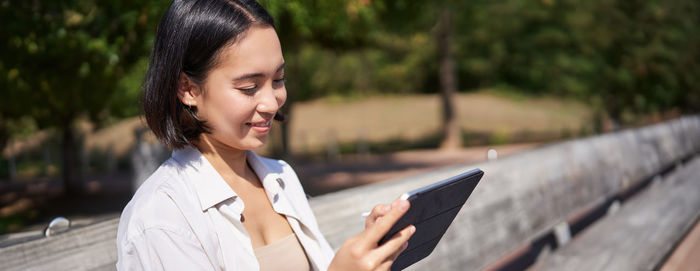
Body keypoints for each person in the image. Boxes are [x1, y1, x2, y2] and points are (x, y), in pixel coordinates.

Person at [116, 0, 415, 270]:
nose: (272, 102)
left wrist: (369, 249)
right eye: (249, 87)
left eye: (278, 80)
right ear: (188, 89)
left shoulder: (280, 177)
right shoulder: (162, 217)